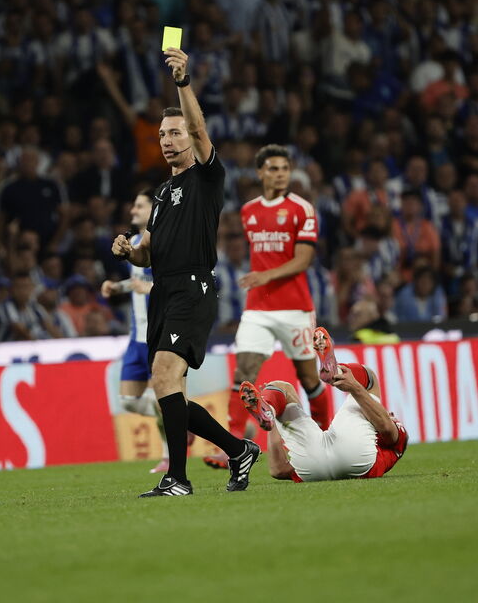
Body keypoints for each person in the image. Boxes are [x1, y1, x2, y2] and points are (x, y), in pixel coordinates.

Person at [111, 46, 259, 497]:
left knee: (164, 376)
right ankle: (238, 450)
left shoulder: (207, 178)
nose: (167, 140)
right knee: (167, 387)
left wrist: (182, 81)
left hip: (193, 287)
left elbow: (199, 127)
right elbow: (149, 256)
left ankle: (177, 478)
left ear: (191, 140)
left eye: (175, 133)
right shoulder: (161, 193)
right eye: (162, 135)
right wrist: (130, 251)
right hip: (164, 289)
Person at [210, 144, 330, 471]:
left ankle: (324, 437)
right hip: (258, 308)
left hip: (295, 307)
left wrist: (265, 275)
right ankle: (232, 445)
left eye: (285, 169)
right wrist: (261, 280)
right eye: (274, 169)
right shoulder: (248, 212)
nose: (280, 174)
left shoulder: (302, 209)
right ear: (260, 172)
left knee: (309, 378)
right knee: (244, 371)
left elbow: (303, 260)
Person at [239, 327, 408, 483]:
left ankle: (333, 374)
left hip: (316, 465)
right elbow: (277, 470)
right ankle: (270, 409)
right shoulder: (390, 441)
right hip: (351, 460)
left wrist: (355, 387)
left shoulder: (395, 430)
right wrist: (273, 419)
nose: (391, 414)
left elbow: (386, 427)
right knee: (283, 391)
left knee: (368, 380)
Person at [101, 191, 172, 474]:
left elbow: (176, 284)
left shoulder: (165, 241)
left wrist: (152, 288)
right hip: (136, 338)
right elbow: (137, 281)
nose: (133, 210)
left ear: (154, 210)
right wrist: (116, 287)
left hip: (159, 333)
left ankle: (168, 457)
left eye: (140, 205)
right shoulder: (132, 243)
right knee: (129, 402)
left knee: (160, 399)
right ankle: (183, 418)